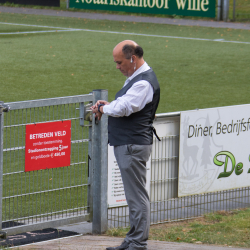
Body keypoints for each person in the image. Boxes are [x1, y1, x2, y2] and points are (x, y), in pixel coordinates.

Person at [91, 40, 160, 250]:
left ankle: (137, 243)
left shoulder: (143, 82)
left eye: (120, 62)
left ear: (133, 58)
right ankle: (132, 240)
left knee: (136, 196)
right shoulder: (137, 78)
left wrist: (104, 109)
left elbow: (126, 107)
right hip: (131, 143)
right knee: (134, 195)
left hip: (132, 144)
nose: (117, 67)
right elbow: (123, 104)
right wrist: (109, 105)